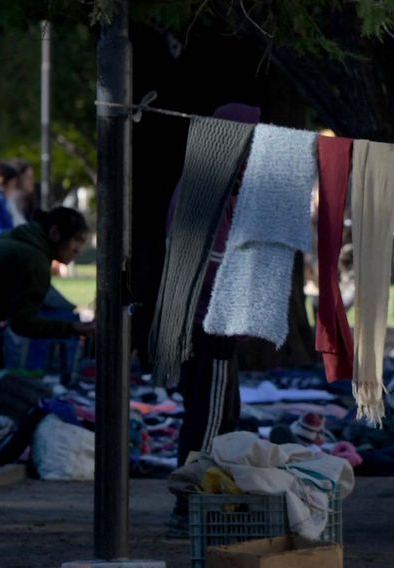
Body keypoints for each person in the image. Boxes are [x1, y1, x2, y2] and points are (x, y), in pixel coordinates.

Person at [166, 102, 261, 532]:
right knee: (211, 418)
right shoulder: (211, 188)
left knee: (214, 413)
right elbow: (213, 260)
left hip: (202, 319)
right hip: (211, 323)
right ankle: (192, 505)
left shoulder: (209, 183)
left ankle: (199, 501)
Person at [0, 207, 92, 458]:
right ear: (55, 233)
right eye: (76, 240)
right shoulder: (34, 259)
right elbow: (23, 324)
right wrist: (72, 328)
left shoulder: (23, 238)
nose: (78, 249)